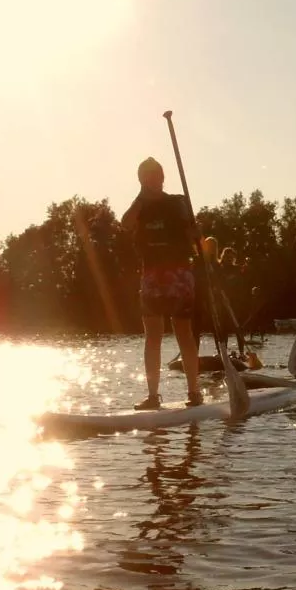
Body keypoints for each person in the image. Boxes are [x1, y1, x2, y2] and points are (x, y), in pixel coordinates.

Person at [121, 157, 203, 409]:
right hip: (152, 274)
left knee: (183, 333)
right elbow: (125, 224)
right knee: (152, 336)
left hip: (178, 273)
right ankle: (153, 396)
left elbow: (194, 234)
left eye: (154, 176)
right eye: (145, 177)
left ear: (162, 177)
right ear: (140, 181)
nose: (150, 180)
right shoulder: (140, 206)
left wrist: (195, 232)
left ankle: (194, 392)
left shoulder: (177, 202)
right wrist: (141, 198)